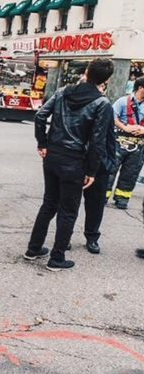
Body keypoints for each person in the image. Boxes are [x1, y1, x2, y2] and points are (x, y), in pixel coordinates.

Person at [24, 58, 114, 271]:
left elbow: (40, 116)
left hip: (53, 156)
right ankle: (57, 258)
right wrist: (92, 170)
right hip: (75, 160)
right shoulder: (102, 103)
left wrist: (42, 142)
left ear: (87, 70)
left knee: (49, 203)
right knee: (68, 210)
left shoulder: (64, 91)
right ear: (106, 80)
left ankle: (33, 248)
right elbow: (98, 140)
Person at [80, 79, 117, 254]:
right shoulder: (70, 102)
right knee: (69, 203)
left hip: (99, 161)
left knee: (95, 203)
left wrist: (109, 161)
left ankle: (92, 236)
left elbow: (107, 136)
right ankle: (64, 237)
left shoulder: (105, 105)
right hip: (78, 159)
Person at [106, 76, 144, 210]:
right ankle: (103, 195)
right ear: (140, 88)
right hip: (119, 141)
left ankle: (122, 198)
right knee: (110, 169)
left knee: (131, 173)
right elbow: (112, 116)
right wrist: (125, 127)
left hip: (139, 145)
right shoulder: (123, 101)